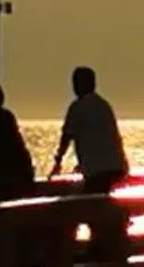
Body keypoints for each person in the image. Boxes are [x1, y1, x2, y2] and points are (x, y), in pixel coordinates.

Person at [52, 64, 129, 192]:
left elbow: (66, 137)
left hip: (97, 170)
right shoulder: (104, 105)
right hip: (116, 166)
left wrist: (58, 162)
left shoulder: (77, 107)